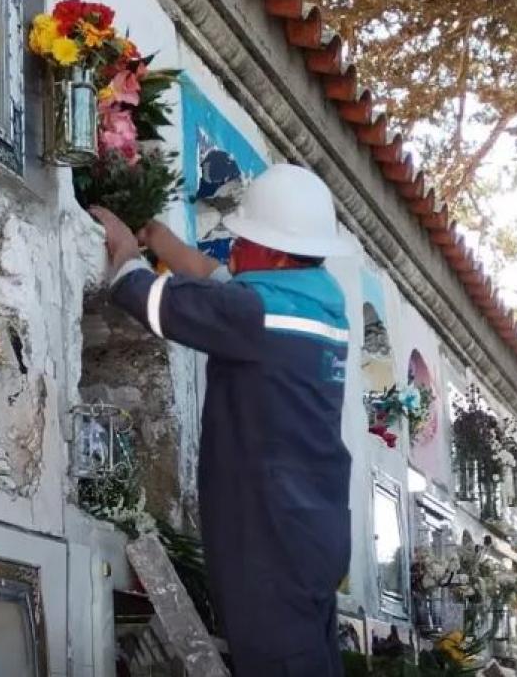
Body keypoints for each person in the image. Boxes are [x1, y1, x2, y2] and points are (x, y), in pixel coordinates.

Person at [94, 163, 354, 676]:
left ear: (277, 253)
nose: (232, 249)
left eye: (244, 239)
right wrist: (169, 245)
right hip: (311, 530)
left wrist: (125, 250)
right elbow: (226, 288)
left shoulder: (256, 314)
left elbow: (149, 300)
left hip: (268, 534)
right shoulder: (319, 304)